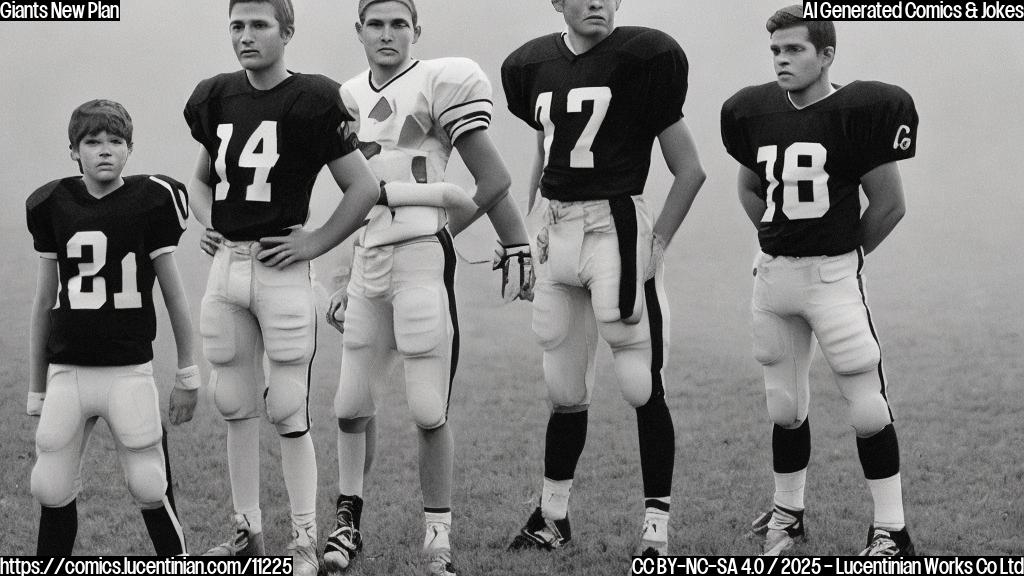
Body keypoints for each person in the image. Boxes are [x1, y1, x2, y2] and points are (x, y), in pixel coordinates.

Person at [321, 1, 533, 574]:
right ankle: (346, 526)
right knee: (347, 406)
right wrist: (341, 272)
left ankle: (437, 539)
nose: (387, 34)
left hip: (418, 261)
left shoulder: (440, 82)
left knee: (426, 409)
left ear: (417, 30)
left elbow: (494, 180)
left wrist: (455, 232)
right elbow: (352, 195)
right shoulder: (342, 98)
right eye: (376, 23)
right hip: (367, 264)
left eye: (398, 23)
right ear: (358, 31)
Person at [501, 0, 706, 558]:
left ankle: (656, 533)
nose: (595, 1)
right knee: (563, 387)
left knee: (640, 383)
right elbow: (544, 157)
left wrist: (655, 247)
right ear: (556, 3)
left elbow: (691, 170)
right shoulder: (532, 65)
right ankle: (552, 517)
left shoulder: (644, 57)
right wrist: (527, 233)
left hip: (615, 228)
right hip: (556, 230)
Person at [182, 0, 379, 573]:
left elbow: (362, 189)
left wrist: (314, 242)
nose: (246, 36)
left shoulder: (312, 97)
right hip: (228, 270)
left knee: (289, 407)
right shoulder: (216, 96)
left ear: (287, 31)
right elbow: (201, 177)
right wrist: (210, 220)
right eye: (237, 26)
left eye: (260, 25)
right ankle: (247, 532)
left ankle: (302, 540)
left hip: (282, 268)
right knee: (234, 404)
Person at [720, 4, 919, 557]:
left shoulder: (862, 109)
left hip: (832, 276)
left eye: (795, 50)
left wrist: (844, 252)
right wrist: (780, 234)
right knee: (783, 405)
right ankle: (788, 514)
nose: (782, 60)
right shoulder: (754, 111)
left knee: (866, 403)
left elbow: (890, 204)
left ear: (827, 54)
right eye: (776, 51)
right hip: (773, 278)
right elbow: (749, 187)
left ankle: (892, 530)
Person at [26, 99, 198, 556]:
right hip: (67, 370)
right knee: (50, 483)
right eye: (93, 142)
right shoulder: (52, 205)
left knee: (149, 481)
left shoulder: (151, 202)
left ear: (130, 149)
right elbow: (45, 302)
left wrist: (188, 374)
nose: (105, 150)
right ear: (73, 150)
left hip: (128, 370)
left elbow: (175, 296)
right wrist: (35, 387)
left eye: (115, 141)